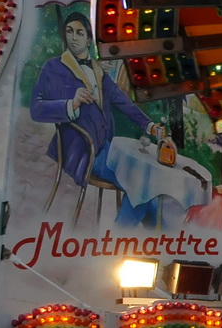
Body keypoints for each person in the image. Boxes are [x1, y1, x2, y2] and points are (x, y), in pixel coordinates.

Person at [29, 12, 165, 215]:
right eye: (69, 31)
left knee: (146, 184)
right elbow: (36, 108)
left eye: (79, 32)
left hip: (108, 147)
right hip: (82, 149)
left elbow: (122, 101)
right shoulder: (53, 67)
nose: (73, 37)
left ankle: (155, 234)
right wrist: (70, 104)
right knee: (140, 186)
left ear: (88, 39)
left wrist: (150, 126)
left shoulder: (97, 70)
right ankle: (126, 236)